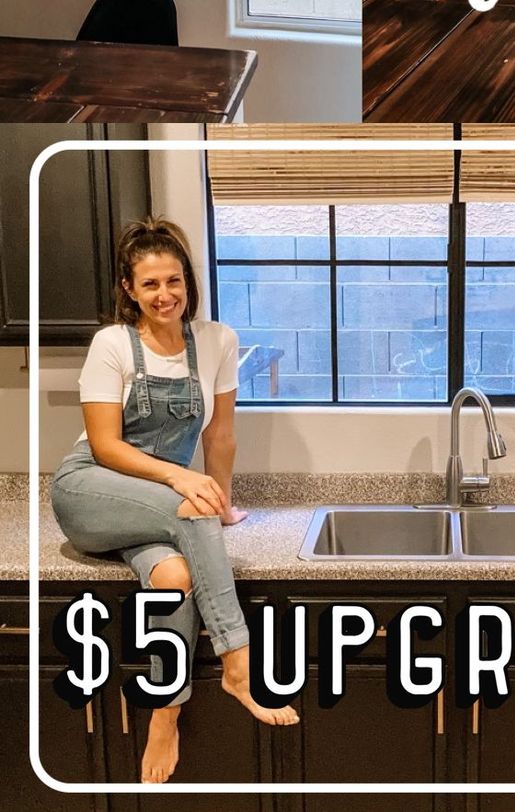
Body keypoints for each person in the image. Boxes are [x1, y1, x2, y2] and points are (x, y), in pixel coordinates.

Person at [50, 218, 299, 786]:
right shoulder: (112, 344)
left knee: (173, 579)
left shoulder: (217, 341)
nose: (166, 295)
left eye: (175, 281)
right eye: (150, 285)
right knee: (188, 505)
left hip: (156, 503)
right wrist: (183, 482)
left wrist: (224, 500)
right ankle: (239, 663)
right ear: (128, 289)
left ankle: (167, 708)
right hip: (88, 489)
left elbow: (220, 436)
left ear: (188, 281)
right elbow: (108, 446)